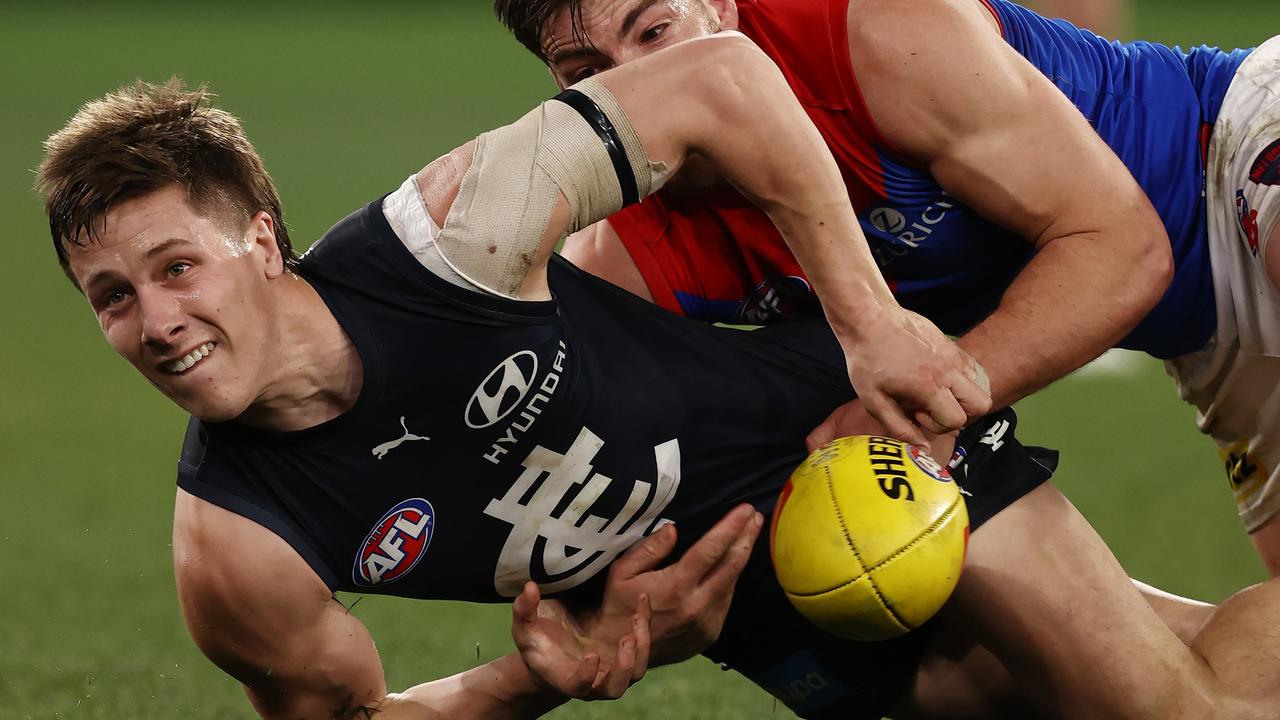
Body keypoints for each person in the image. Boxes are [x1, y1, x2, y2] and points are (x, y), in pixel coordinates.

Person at [36, 36, 1277, 720]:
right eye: (114, 298)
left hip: (846, 453)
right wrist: (537, 674)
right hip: (760, 619)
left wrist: (865, 327)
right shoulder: (235, 554)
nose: (159, 321)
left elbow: (724, 79)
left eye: (176, 266)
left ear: (260, 236)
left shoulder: (447, 237)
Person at [495, 0, 1280, 573]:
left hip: (1233, 138)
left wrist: (924, 402)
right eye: (589, 74)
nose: (642, 83)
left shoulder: (869, 27)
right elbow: (557, 437)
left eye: (655, 31)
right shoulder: (627, 250)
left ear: (722, 8)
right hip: (1208, 344)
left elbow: (1123, 247)